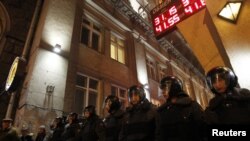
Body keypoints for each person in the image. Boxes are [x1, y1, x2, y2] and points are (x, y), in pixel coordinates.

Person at [155, 76, 206, 141]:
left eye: (165, 89)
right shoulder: (162, 110)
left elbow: (202, 130)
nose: (163, 92)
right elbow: (159, 134)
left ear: (175, 87)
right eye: (162, 89)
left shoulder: (191, 105)